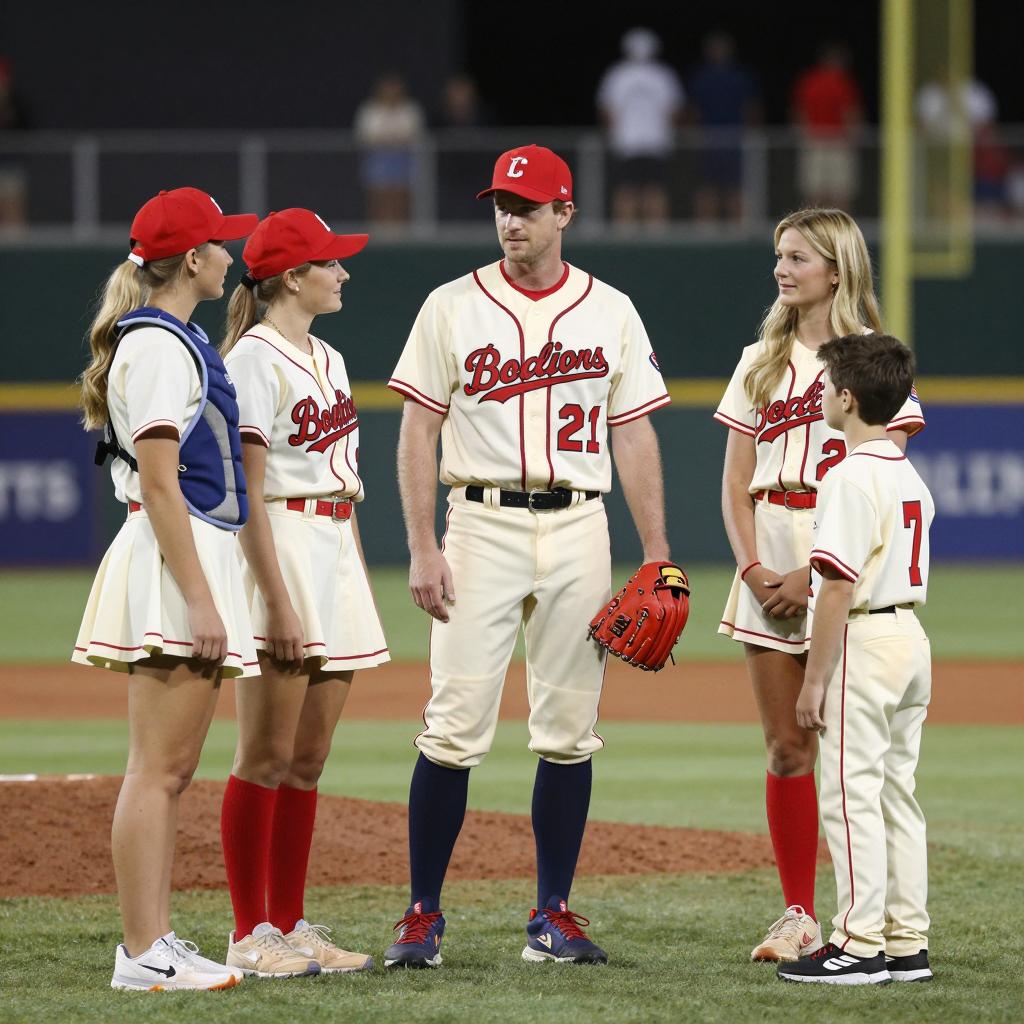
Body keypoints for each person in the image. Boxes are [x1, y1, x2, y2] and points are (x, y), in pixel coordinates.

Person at [383, 144, 671, 968]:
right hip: (480, 523)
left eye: (528, 207)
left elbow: (632, 432)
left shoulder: (610, 309)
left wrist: (656, 551)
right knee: (452, 727)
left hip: (580, 523)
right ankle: (421, 915)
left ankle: (553, 915)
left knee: (570, 730)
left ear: (564, 213)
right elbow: (418, 430)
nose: (511, 220)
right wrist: (423, 545)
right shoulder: (450, 305)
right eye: (503, 206)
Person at [714, 208, 925, 963]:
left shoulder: (871, 357)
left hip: (843, 555)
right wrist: (753, 570)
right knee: (786, 748)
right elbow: (735, 483)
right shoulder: (760, 359)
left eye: (798, 256)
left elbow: (885, 474)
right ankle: (799, 914)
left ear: (836, 270)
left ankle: (869, 925)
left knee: (857, 761)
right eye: (780, 255)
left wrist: (812, 573)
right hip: (770, 545)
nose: (783, 268)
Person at [73, 186, 259, 991]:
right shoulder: (156, 345)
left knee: (169, 770)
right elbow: (157, 482)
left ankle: (152, 944)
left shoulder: (170, 337)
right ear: (191, 259)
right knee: (157, 769)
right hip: (174, 556)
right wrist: (203, 598)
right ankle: (143, 949)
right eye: (219, 243)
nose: (229, 255)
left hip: (185, 551)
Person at [219, 208, 388, 977]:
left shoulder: (330, 356)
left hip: (334, 547)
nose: (343, 272)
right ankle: (248, 931)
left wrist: (355, 579)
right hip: (282, 545)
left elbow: (342, 482)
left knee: (308, 760)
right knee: (264, 755)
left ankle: (289, 921)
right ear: (292, 277)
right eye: (330, 262)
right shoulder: (254, 358)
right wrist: (277, 599)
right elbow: (246, 494)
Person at [778, 333, 934, 985]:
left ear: (847, 398)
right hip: (910, 640)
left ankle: (858, 944)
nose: (819, 395)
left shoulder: (848, 475)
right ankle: (906, 943)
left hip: (864, 642)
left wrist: (814, 680)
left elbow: (837, 587)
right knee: (897, 794)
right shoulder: (908, 473)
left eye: (824, 386)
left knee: (849, 796)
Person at [596, 28, 684, 226]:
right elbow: (674, 111)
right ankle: (651, 230)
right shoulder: (662, 75)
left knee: (632, 189)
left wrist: (614, 135)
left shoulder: (619, 75)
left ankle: (628, 231)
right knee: (650, 189)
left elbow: (607, 110)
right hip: (651, 141)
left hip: (631, 142)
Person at [688, 32, 761, 223]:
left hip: (735, 140)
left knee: (735, 187)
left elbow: (751, 109)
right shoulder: (702, 77)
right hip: (708, 141)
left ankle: (738, 229)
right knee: (708, 187)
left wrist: (750, 134)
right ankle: (706, 230)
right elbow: (694, 111)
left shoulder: (740, 77)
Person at [790, 45, 863, 210]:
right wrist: (853, 136)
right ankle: (838, 227)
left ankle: (813, 226)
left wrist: (804, 136)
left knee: (815, 193)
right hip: (838, 142)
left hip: (814, 141)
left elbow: (798, 114)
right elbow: (850, 113)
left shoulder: (808, 81)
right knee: (840, 193)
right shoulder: (842, 82)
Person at [353, 73, 425, 224]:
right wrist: (389, 139)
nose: (391, 94)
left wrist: (390, 139)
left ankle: (401, 228)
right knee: (379, 197)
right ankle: (378, 227)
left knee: (400, 197)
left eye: (394, 90)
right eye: (388, 90)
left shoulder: (409, 110)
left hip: (403, 158)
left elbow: (413, 134)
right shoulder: (370, 110)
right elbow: (365, 135)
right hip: (378, 158)